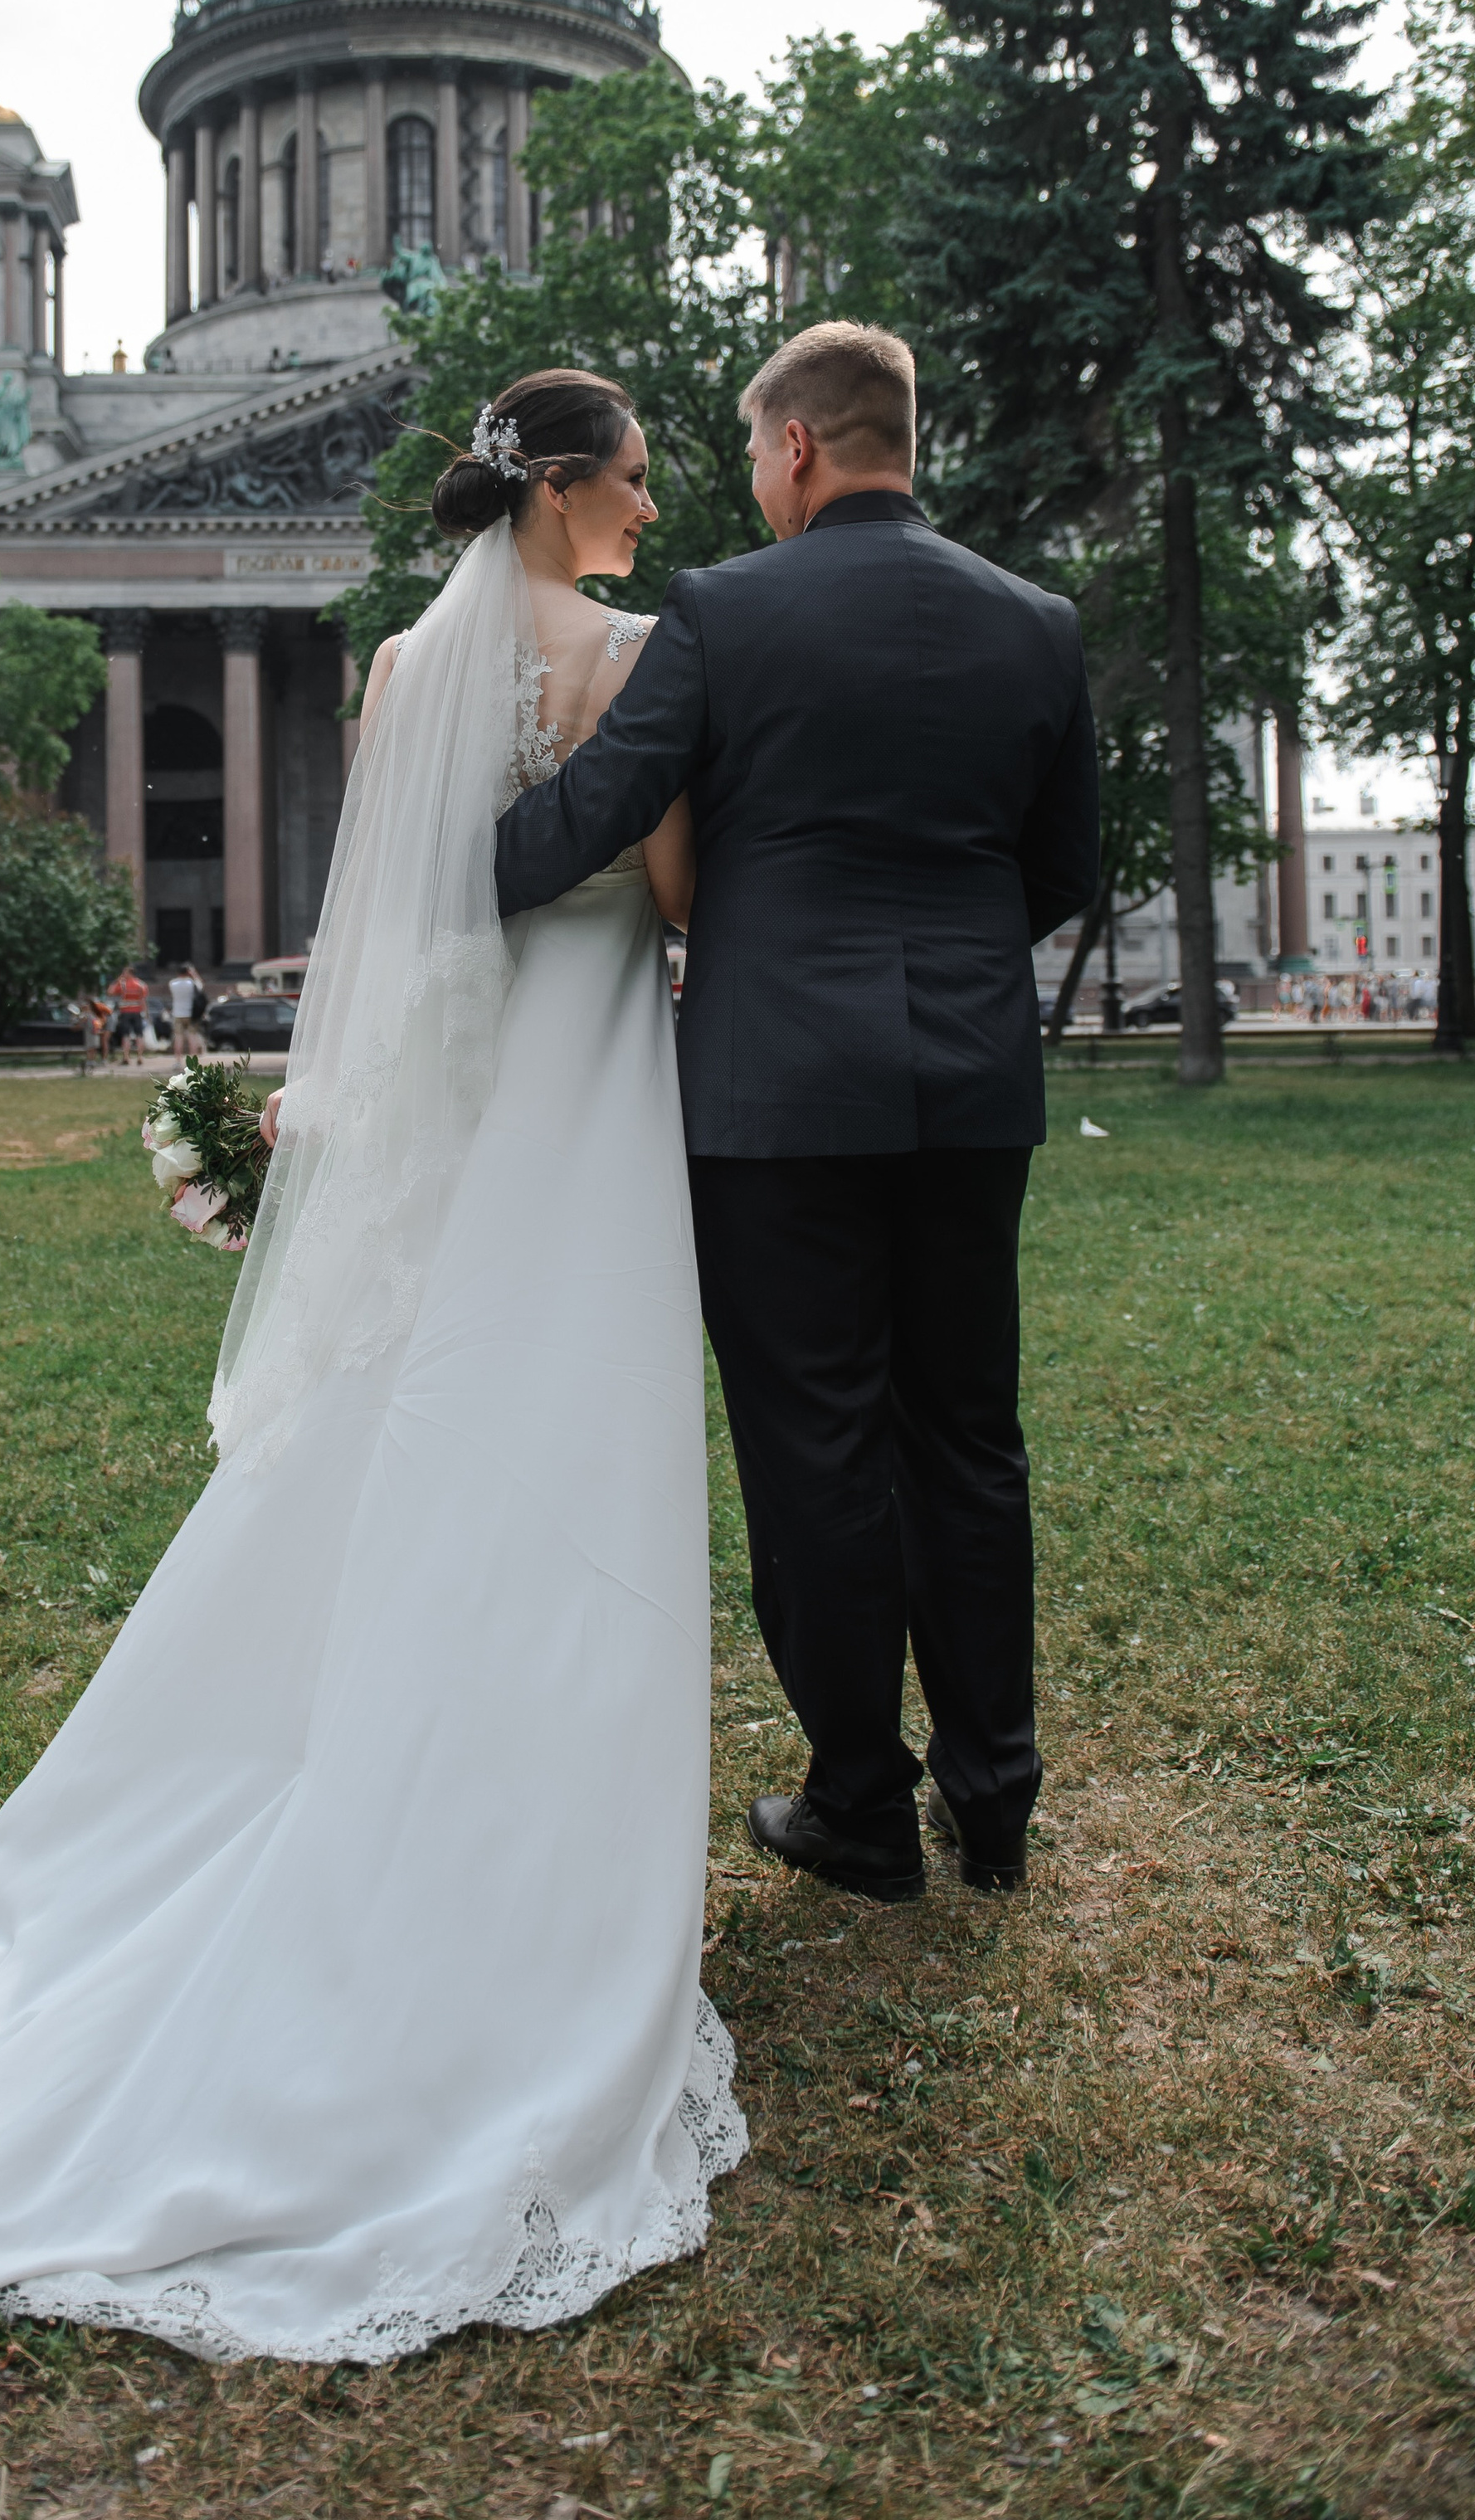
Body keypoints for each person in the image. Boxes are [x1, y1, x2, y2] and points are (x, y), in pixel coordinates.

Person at [0, 370, 742, 2368]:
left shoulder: (406, 662)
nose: (649, 501)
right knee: (571, 1433)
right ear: (570, 488)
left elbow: (398, 911)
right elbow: (670, 891)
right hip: (590, 1079)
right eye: (631, 475)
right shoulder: (642, 659)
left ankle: (361, 1768)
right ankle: (520, 1853)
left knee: (423, 1419)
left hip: (470, 1089)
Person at [495, 320, 1098, 1905]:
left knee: (816, 1446)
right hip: (971, 1083)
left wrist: (431, 876)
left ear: (801, 449)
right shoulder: (1036, 623)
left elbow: (604, 805)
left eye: (758, 455)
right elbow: (1062, 868)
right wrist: (952, 964)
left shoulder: (725, 612)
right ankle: (998, 1801)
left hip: (775, 1095)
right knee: (969, 1438)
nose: (754, 483)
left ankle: (861, 1808)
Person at [107, 963, 150, 1060]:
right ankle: (140, 1056)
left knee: (126, 1035)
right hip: (137, 1012)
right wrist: (146, 1013)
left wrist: (117, 981)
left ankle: (126, 1056)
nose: (123, 974)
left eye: (124, 972)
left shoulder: (122, 984)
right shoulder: (141, 984)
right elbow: (143, 1000)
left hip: (125, 1012)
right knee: (139, 1034)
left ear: (130, 973)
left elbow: (110, 992)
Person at [166, 962, 207, 1057]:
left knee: (178, 1037)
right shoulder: (192, 983)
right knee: (192, 1036)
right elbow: (201, 984)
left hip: (177, 1013)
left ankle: (178, 1060)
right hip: (191, 1013)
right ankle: (194, 1059)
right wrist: (194, 973)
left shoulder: (173, 983)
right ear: (188, 972)